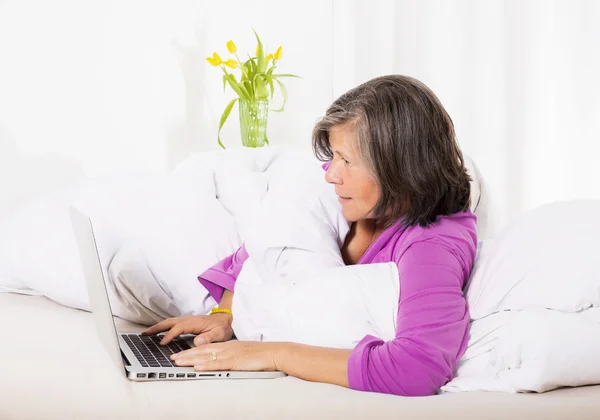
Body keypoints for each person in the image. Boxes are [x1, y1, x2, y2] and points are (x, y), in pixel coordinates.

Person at [143, 75, 477, 396]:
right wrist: (224, 316)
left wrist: (271, 355)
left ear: (401, 169)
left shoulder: (431, 245)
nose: (331, 174)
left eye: (346, 160)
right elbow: (269, 242)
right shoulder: (351, 197)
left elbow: (416, 369)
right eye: (333, 156)